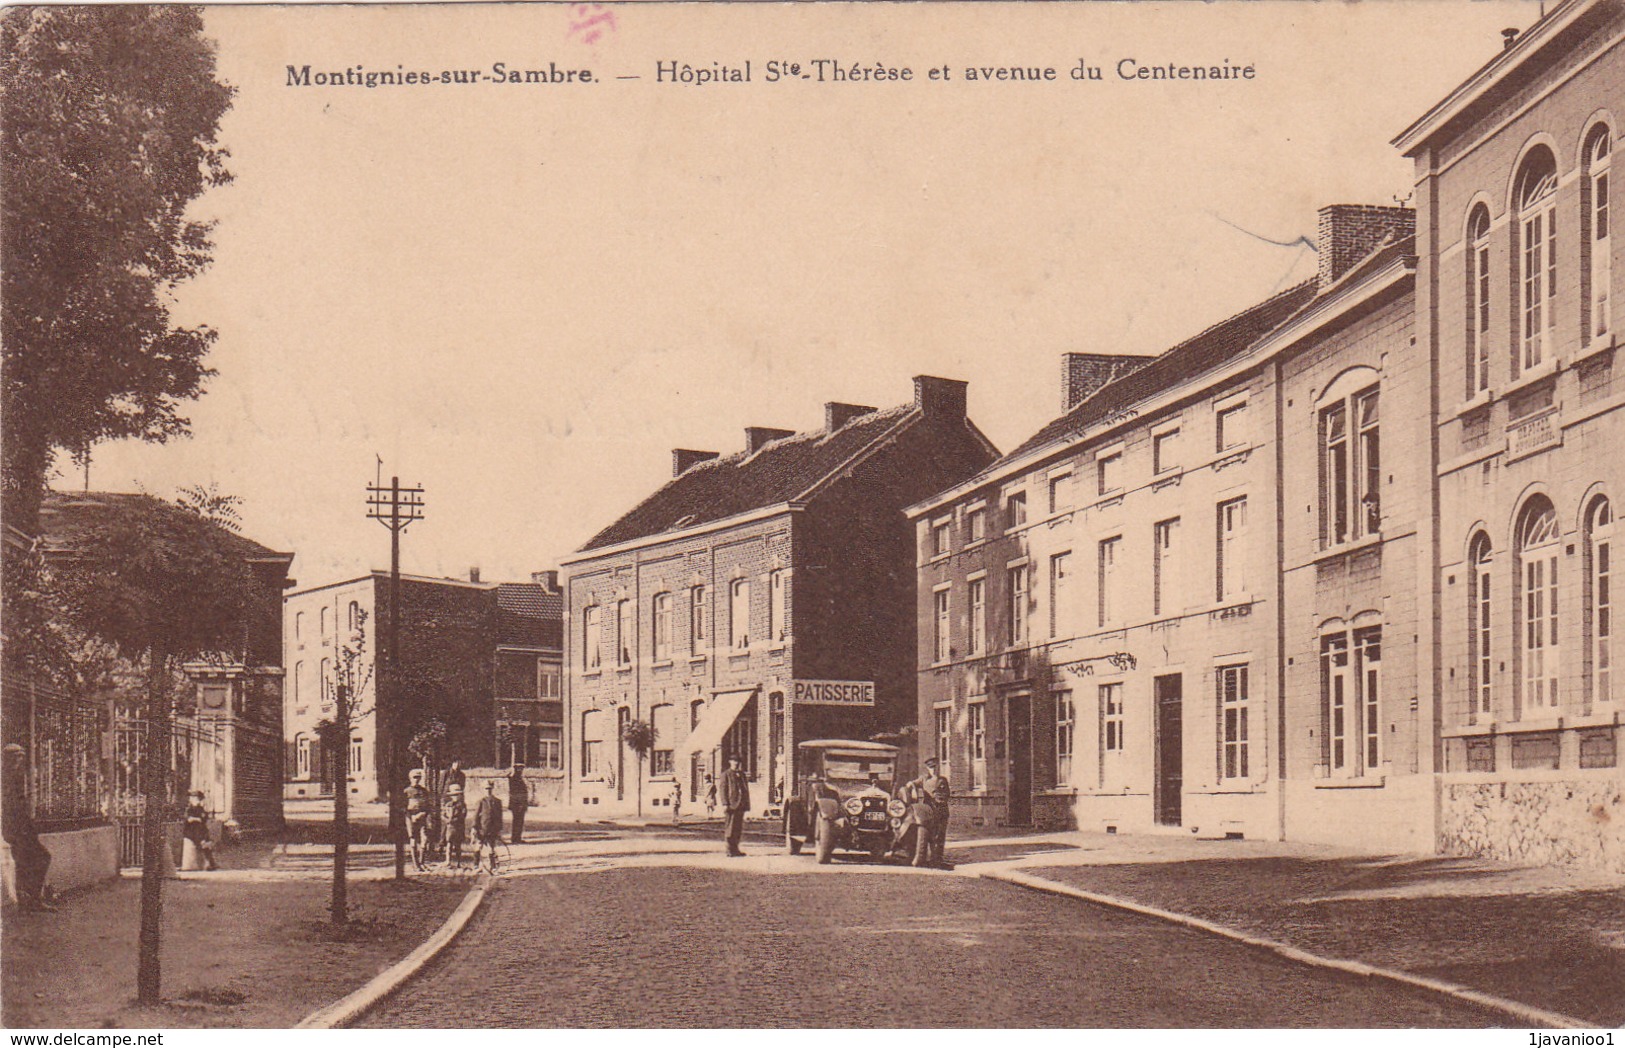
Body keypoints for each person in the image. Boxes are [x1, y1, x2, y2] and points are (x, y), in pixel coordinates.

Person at [2, 744, 54, 912]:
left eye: (21, 757)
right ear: (7, 759)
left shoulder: (16, 777)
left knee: (38, 859)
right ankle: (29, 900)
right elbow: (10, 807)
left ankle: (31, 899)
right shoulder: (5, 779)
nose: (19, 760)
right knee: (32, 860)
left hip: (22, 829)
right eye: (16, 757)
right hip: (14, 830)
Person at [904, 757, 951, 868]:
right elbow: (911, 783)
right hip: (928, 810)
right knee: (928, 834)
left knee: (939, 835)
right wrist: (911, 787)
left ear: (938, 767)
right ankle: (925, 858)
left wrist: (940, 799)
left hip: (941, 810)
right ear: (927, 768)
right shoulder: (924, 779)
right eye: (931, 767)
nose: (933, 770)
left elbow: (947, 794)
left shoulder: (943, 780)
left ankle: (937, 859)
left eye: (935, 767)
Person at [719, 754, 749, 857]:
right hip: (731, 805)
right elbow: (723, 790)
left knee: (737, 828)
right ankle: (729, 850)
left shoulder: (742, 774)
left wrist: (746, 804)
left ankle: (736, 849)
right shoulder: (726, 774)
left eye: (737, 762)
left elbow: (745, 790)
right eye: (734, 761)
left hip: (740, 804)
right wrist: (725, 803)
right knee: (730, 828)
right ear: (730, 762)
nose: (736, 763)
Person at [404, 768, 433, 872]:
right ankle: (415, 864)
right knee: (413, 839)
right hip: (411, 817)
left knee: (424, 839)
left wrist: (424, 813)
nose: (416, 779)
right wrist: (410, 816)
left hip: (422, 817)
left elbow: (428, 805)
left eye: (418, 777)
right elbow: (402, 807)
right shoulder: (406, 791)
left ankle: (422, 862)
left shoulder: (424, 791)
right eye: (414, 777)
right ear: (410, 778)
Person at [473, 780, 504, 873]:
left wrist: (499, 829)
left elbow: (499, 817)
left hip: (492, 829)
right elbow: (476, 816)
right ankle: (475, 865)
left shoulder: (497, 802)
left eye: (489, 789)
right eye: (486, 789)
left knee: (491, 848)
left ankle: (493, 866)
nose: (488, 791)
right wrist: (474, 828)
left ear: (492, 789)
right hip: (482, 829)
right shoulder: (481, 802)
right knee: (478, 846)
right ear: (483, 789)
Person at [183, 790, 218, 871]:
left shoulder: (200, 808)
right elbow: (188, 819)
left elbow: (204, 818)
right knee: (203, 841)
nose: (197, 801)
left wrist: (198, 819)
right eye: (195, 799)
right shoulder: (189, 809)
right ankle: (209, 863)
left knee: (207, 841)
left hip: (200, 830)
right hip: (191, 831)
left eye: (198, 799)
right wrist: (197, 819)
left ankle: (210, 862)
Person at [439, 782, 467, 869]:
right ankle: (448, 861)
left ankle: (458, 862)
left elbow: (463, 815)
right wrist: (447, 820)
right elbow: (443, 814)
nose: (455, 797)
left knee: (458, 845)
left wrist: (454, 820)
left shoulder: (462, 805)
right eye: (454, 795)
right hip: (450, 827)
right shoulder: (448, 805)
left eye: (457, 795)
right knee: (449, 844)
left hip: (458, 826)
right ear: (451, 796)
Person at [507, 764, 530, 844]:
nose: (521, 771)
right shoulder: (514, 779)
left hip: (520, 804)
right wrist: (520, 805)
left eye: (521, 769)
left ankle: (517, 837)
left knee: (519, 821)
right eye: (519, 769)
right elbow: (515, 793)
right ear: (516, 770)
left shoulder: (518, 779)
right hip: (517, 804)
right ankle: (515, 838)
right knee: (517, 821)